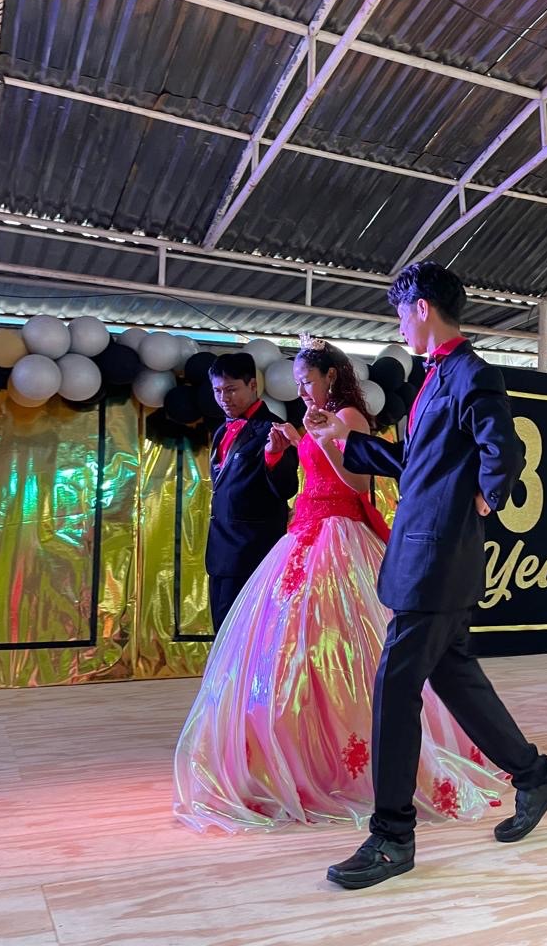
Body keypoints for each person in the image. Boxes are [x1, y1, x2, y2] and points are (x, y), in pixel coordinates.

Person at [174, 339, 507, 832]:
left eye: (308, 381)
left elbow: (357, 484)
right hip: (303, 534)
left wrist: (327, 439)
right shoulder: (313, 417)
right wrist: (287, 449)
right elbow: (303, 480)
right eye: (298, 383)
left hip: (339, 535)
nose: (302, 391)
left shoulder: (348, 416)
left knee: (347, 643)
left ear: (330, 377)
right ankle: (289, 751)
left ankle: (348, 758)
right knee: (287, 648)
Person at [305, 262, 547, 891]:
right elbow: (417, 464)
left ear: (421, 307)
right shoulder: (438, 376)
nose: (399, 325)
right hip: (426, 552)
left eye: (401, 313)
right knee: (456, 678)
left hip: (438, 555)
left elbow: (504, 448)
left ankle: (393, 837)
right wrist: (344, 442)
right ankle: (535, 777)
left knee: (394, 689)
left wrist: (486, 498)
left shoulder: (471, 372)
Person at [204, 352, 300, 633]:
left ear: (253, 386)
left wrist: (273, 457)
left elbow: (286, 488)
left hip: (254, 554)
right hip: (221, 554)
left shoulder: (274, 430)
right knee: (222, 637)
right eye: (217, 391)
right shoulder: (221, 430)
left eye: (231, 389)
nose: (224, 398)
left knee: (250, 639)